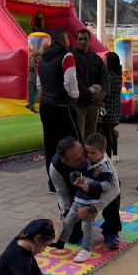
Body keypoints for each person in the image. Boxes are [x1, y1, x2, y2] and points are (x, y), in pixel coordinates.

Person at [50, 134, 118, 262]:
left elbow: (115, 188)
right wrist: (66, 211)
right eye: (77, 159)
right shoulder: (55, 168)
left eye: (83, 153)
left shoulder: (98, 157)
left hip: (97, 193)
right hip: (78, 195)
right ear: (66, 162)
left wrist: (92, 208)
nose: (84, 159)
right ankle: (60, 240)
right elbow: (62, 194)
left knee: (87, 223)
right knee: (72, 230)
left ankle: (111, 230)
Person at [39, 29, 80, 193]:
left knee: (50, 145)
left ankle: (53, 183)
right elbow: (70, 80)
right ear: (65, 39)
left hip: (46, 106)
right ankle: (74, 179)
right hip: (62, 106)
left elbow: (38, 84)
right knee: (73, 143)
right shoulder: (67, 56)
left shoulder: (42, 58)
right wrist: (75, 95)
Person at [73, 29, 109, 139]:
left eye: (85, 39)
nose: (82, 42)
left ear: (90, 41)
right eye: (80, 39)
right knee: (78, 136)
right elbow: (74, 79)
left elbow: (105, 78)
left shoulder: (96, 59)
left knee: (91, 136)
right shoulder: (71, 57)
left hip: (93, 105)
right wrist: (89, 94)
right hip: (78, 104)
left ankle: (90, 156)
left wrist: (102, 94)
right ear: (76, 41)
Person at [97, 52, 122, 160]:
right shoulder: (118, 74)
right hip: (115, 108)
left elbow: (106, 92)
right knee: (110, 131)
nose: (103, 62)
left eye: (105, 60)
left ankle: (107, 157)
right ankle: (114, 154)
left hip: (107, 109)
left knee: (106, 132)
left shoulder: (108, 76)